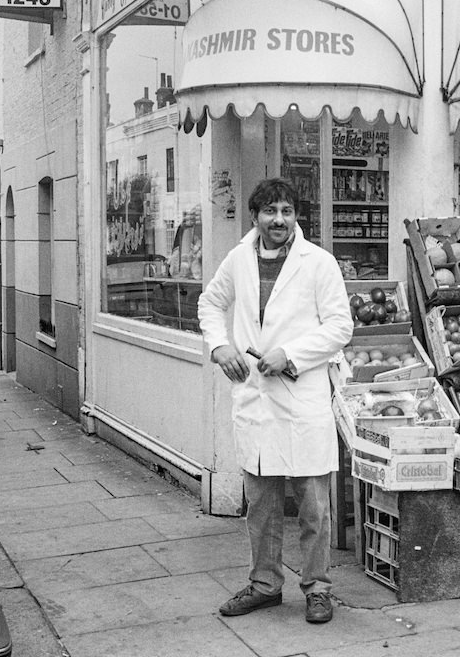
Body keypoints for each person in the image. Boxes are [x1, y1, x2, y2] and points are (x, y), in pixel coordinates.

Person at [198, 177, 353, 624]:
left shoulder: (319, 263)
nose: (278, 220)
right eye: (269, 212)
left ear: (297, 216)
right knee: (261, 505)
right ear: (255, 216)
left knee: (313, 507)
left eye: (286, 211)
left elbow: (340, 327)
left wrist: (292, 354)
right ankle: (265, 584)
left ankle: (318, 588)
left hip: (301, 395)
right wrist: (220, 346)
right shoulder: (237, 259)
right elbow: (210, 304)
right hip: (256, 397)